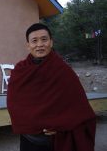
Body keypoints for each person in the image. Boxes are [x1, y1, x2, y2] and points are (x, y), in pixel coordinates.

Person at [7, 23, 96, 151]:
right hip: (29, 139)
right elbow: (14, 105)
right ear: (28, 46)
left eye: (44, 39)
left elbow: (80, 110)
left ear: (51, 42)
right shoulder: (20, 71)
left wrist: (60, 125)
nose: (39, 45)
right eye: (34, 41)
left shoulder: (63, 71)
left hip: (54, 141)